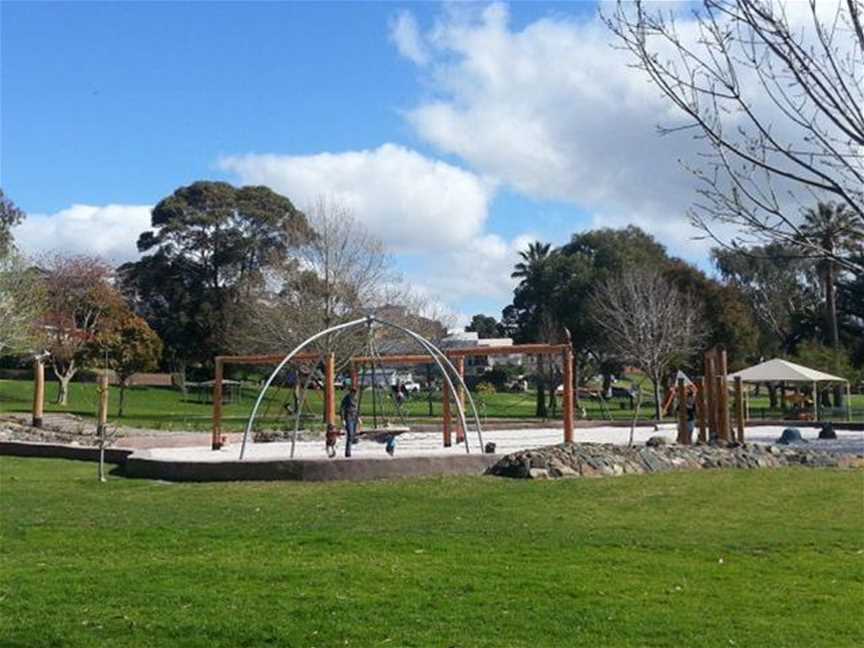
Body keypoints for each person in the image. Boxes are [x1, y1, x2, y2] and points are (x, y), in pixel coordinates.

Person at [340, 387, 359, 458]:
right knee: (350, 434)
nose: (354, 394)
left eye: (355, 393)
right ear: (350, 392)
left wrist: (358, 417)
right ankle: (348, 452)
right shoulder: (347, 398)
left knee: (353, 434)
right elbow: (342, 408)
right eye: (353, 392)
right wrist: (342, 419)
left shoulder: (355, 398)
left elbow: (356, 408)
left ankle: (353, 441)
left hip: (354, 417)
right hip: (348, 417)